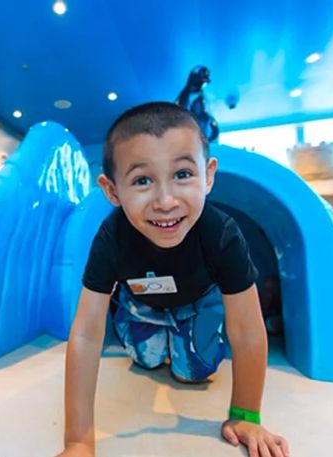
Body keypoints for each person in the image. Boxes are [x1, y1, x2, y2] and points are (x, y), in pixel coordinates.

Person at [57, 102, 289, 457]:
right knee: (146, 360)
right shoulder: (111, 238)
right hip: (141, 305)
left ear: (208, 175)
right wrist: (78, 441)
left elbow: (245, 327)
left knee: (192, 373)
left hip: (198, 304)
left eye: (182, 175)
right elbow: (87, 333)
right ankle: (150, 337)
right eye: (142, 180)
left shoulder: (222, 233)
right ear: (113, 191)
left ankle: (183, 340)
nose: (165, 201)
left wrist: (245, 415)